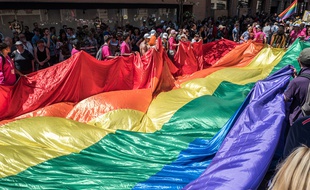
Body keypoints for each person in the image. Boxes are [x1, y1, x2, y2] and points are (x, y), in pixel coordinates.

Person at [284, 48, 310, 126]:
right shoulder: (298, 80)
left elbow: (285, 98)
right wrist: (296, 77)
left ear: (299, 61)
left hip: (299, 122)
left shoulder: (296, 82)